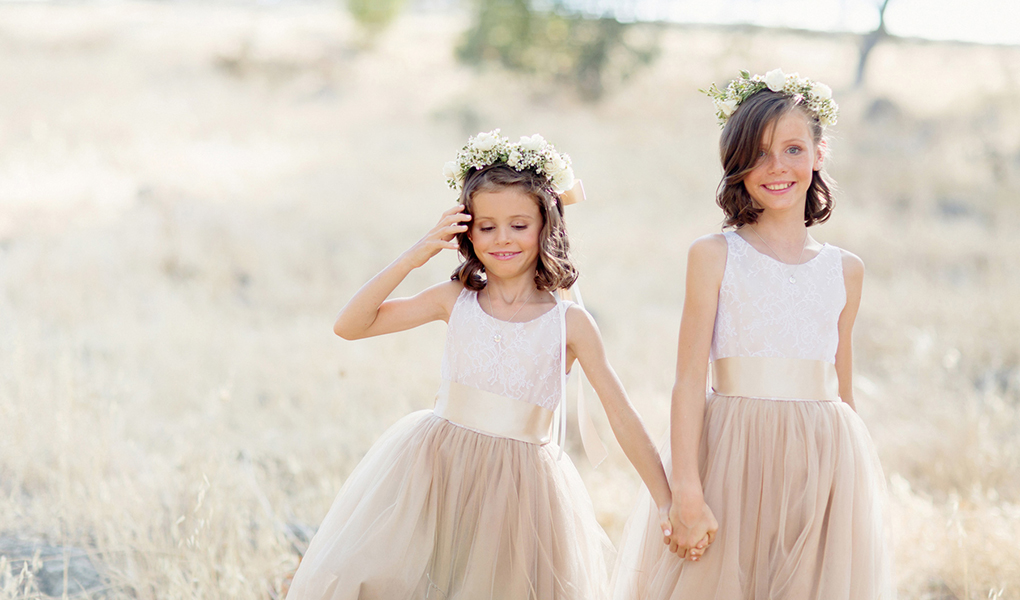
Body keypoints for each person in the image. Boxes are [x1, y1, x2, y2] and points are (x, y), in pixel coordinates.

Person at [286, 130, 672, 600]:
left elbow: (621, 414)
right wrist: (416, 254)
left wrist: (669, 501)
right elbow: (350, 325)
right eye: (486, 227)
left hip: (520, 492)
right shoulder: (455, 300)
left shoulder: (570, 323)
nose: (502, 239)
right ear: (466, 231)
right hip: (435, 469)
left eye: (518, 225)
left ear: (545, 227)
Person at [613, 70, 891, 599]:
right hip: (731, 456)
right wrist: (687, 490)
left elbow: (844, 390)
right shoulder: (715, 255)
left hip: (820, 459)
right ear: (736, 161)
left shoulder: (845, 269)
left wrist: (852, 492)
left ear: (819, 152)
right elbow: (689, 380)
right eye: (758, 153)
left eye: (792, 149)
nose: (777, 167)